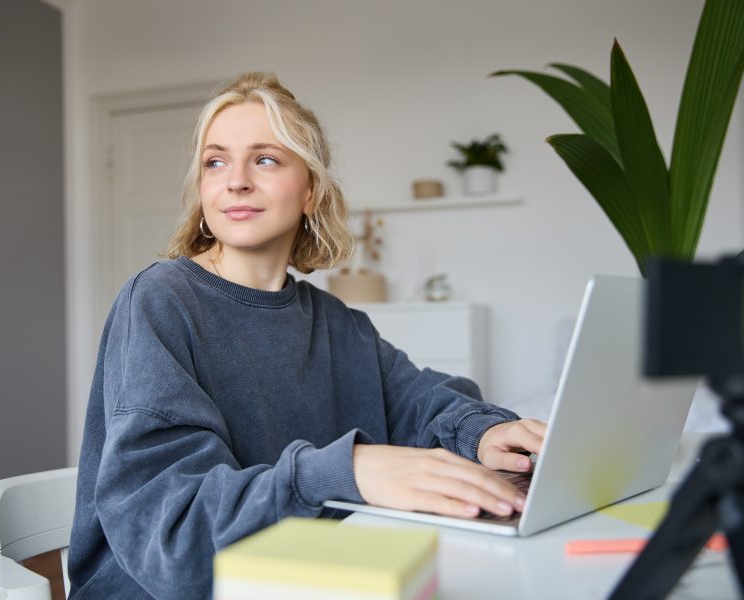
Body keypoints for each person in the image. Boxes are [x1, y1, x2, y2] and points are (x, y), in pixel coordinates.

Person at [67, 72, 547, 599]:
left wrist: (482, 432)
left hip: (308, 577)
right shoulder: (159, 303)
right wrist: (345, 471)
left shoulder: (339, 323)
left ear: (311, 189)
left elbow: (425, 402)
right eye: (215, 161)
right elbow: (172, 534)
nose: (237, 180)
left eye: (266, 159)